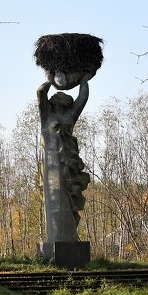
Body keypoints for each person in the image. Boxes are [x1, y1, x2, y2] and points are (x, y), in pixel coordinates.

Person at [38, 77, 90, 242]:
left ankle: (68, 238)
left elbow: (83, 98)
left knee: (69, 200)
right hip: (52, 164)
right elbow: (40, 92)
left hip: (68, 162)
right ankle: (57, 237)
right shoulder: (46, 116)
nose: (57, 104)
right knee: (55, 202)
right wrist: (51, 78)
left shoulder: (70, 115)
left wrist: (83, 79)